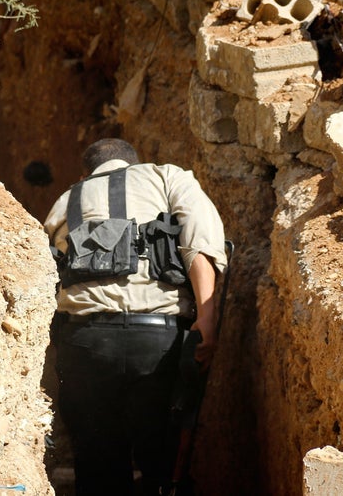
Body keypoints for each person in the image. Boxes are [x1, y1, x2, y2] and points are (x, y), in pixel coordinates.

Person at [44, 138, 227, 496]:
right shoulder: (165, 177)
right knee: (164, 463)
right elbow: (199, 241)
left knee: (98, 466)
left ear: (85, 173)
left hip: (83, 343)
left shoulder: (66, 200)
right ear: (134, 163)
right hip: (157, 340)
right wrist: (208, 317)